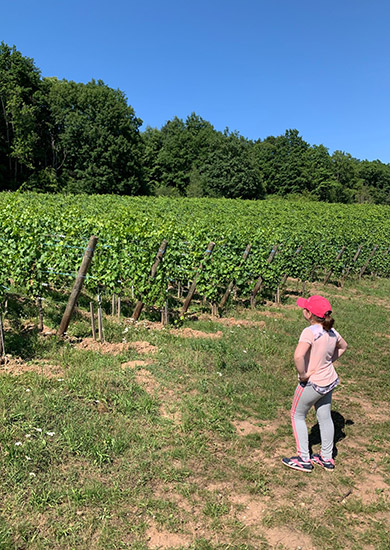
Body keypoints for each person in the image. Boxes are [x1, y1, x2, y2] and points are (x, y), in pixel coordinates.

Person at [282, 295, 348, 472]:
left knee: (297, 414)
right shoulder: (332, 332)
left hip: (312, 383)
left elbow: (298, 355)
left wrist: (303, 374)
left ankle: (304, 458)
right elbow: (343, 346)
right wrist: (329, 361)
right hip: (328, 381)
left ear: (308, 314)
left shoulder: (309, 332)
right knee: (325, 417)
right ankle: (326, 458)